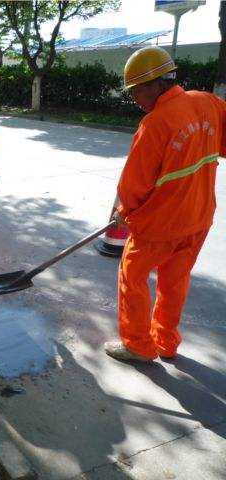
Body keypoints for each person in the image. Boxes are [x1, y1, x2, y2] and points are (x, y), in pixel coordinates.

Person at [104, 46, 225, 362]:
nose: (135, 99)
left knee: (132, 277)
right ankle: (166, 342)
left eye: (136, 92)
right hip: (198, 220)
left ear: (155, 84)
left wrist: (122, 213)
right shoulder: (208, 103)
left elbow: (134, 185)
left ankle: (138, 344)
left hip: (159, 227)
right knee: (175, 282)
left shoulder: (155, 124)